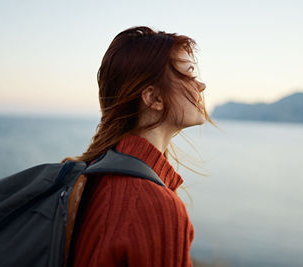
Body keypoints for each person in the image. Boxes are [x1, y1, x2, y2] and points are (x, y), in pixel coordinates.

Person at [67, 26, 213, 267]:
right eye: (188, 74)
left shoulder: (93, 173)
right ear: (154, 98)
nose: (201, 85)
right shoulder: (156, 207)